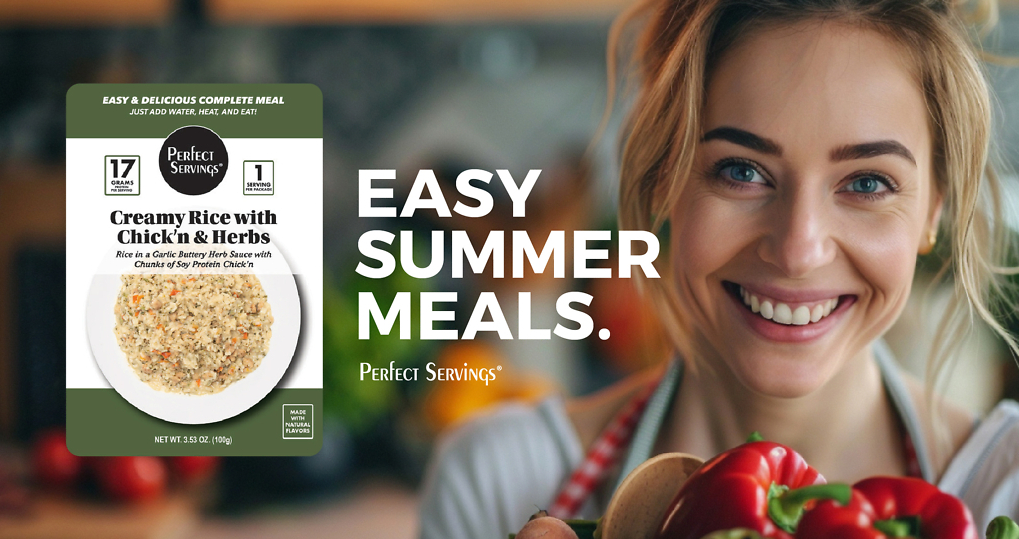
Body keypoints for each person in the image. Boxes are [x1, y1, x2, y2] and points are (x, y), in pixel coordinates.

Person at [417, 1, 1019, 538]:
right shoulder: (495, 481)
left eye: (867, 182)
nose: (797, 248)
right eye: (741, 171)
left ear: (934, 207)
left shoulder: (1007, 488)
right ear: (662, 181)